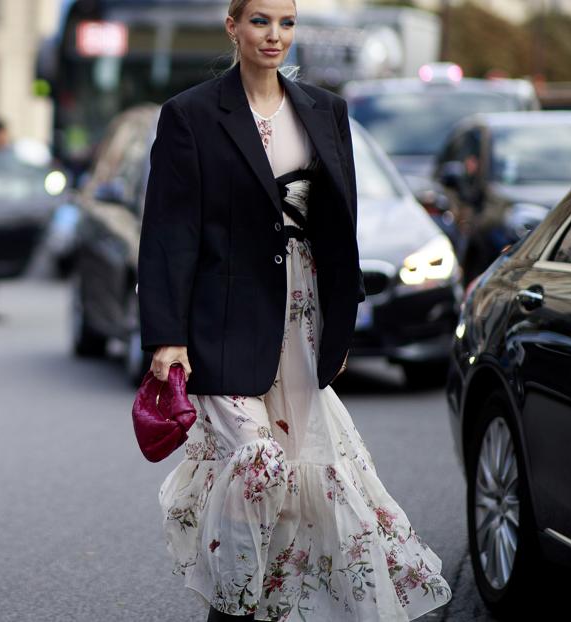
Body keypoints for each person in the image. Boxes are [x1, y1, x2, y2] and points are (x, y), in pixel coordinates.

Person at [137, 1, 453, 620]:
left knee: (307, 480)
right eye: (259, 20)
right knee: (259, 463)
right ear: (233, 26)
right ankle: (230, 607)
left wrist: (341, 321)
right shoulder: (190, 116)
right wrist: (165, 336)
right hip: (220, 323)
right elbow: (169, 231)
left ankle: (275, 603)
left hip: (300, 317)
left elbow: (342, 224)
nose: (273, 35)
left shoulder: (326, 112)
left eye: (285, 22)